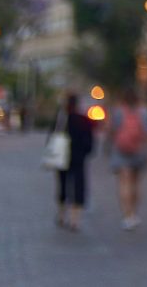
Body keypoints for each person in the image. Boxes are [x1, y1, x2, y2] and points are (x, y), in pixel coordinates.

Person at [108, 88, 147, 231]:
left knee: (124, 183)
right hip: (138, 150)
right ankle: (134, 213)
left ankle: (127, 216)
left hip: (121, 150)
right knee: (135, 183)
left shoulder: (118, 111)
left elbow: (111, 131)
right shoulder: (144, 112)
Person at [51, 93, 94, 232]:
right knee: (78, 186)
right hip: (78, 159)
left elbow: (51, 137)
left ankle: (62, 214)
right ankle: (75, 219)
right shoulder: (84, 120)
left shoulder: (61, 119)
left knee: (62, 185)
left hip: (61, 157)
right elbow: (90, 143)